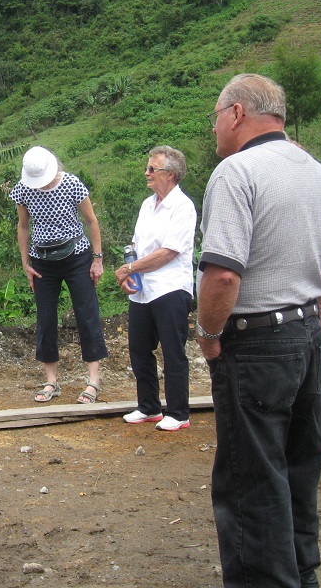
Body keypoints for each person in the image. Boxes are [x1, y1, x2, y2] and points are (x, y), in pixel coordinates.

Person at [195, 74, 321, 588]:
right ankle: (302, 572)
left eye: (217, 116)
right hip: (306, 340)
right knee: (298, 465)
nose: (215, 127)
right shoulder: (315, 171)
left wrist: (208, 333)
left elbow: (223, 273)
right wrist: (311, 293)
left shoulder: (235, 173)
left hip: (256, 343)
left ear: (238, 113)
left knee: (252, 478)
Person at [10, 146, 108, 404]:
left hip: (77, 256)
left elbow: (92, 221)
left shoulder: (72, 184)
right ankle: (51, 380)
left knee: (86, 314)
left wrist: (97, 259)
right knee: (46, 318)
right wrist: (25, 263)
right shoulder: (23, 189)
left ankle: (93, 380)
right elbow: (23, 226)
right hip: (42, 262)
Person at [116, 146, 196, 431]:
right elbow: (137, 248)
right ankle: (149, 406)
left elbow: (168, 252)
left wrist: (130, 269)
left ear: (171, 174)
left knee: (173, 351)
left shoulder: (183, 207)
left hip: (171, 287)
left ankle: (178, 412)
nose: (147, 173)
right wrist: (130, 273)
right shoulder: (147, 205)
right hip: (143, 289)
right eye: (148, 167)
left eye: (153, 168)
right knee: (139, 348)